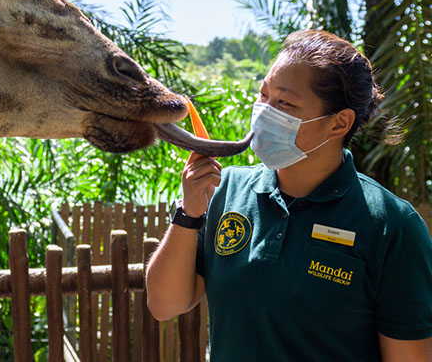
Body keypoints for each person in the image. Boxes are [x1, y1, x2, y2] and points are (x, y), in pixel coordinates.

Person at [145, 30, 432, 362]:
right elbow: (165, 305)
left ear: (339, 123)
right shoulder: (224, 192)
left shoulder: (392, 226)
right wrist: (188, 213)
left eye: (284, 103)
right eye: (264, 95)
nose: (264, 112)